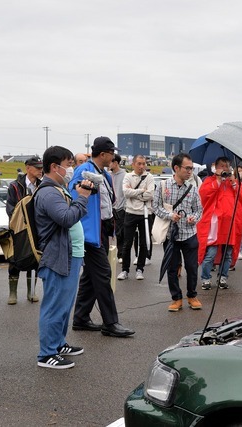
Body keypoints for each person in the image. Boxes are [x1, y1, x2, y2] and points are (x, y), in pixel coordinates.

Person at [70, 136, 135, 338]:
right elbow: (73, 190)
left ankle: (80, 318)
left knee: (91, 277)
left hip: (102, 229)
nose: (114, 156)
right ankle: (110, 322)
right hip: (90, 231)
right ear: (104, 154)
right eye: (111, 152)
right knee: (103, 274)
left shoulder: (104, 173)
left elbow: (108, 202)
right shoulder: (84, 170)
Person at [35, 146, 92, 369]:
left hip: (70, 255)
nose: (71, 169)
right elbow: (66, 218)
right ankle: (46, 353)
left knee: (65, 304)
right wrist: (83, 198)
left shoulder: (58, 188)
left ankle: (58, 343)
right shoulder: (48, 192)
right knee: (54, 305)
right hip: (58, 257)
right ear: (54, 167)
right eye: (68, 165)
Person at [153, 153, 203, 312]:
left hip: (189, 234)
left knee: (192, 267)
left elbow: (199, 210)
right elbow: (156, 206)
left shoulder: (193, 188)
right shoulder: (163, 186)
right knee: (172, 268)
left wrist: (193, 218)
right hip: (171, 235)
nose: (190, 171)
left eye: (192, 168)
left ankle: (192, 295)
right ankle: (176, 298)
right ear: (176, 168)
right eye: (187, 168)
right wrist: (169, 215)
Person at [197, 156, 242, 290]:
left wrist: (234, 183)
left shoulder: (235, 183)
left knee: (228, 253)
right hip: (215, 225)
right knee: (211, 253)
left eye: (227, 166)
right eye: (222, 166)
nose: (225, 169)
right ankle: (206, 278)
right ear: (215, 167)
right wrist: (218, 180)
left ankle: (223, 277)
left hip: (230, 224)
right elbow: (204, 194)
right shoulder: (210, 181)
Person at [5, 156, 44, 304]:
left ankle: (31, 292)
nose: (40, 171)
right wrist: (20, 221)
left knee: (34, 257)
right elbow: (10, 207)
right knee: (15, 258)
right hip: (19, 228)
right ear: (28, 168)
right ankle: (13, 293)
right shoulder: (15, 186)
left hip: (36, 228)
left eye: (41, 168)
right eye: (37, 168)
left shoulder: (42, 185)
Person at [118, 154, 154, 280]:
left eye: (143, 163)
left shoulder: (149, 177)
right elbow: (126, 192)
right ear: (133, 164)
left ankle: (140, 269)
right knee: (127, 242)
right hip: (130, 212)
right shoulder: (128, 176)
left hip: (145, 213)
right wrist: (140, 191)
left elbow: (150, 194)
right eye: (139, 163)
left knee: (144, 243)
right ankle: (125, 270)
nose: (141, 166)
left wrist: (134, 192)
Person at [110, 154, 126, 266]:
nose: (109, 164)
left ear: (116, 163)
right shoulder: (109, 175)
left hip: (121, 208)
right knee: (111, 233)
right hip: (110, 208)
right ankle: (112, 253)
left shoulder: (125, 175)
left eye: (111, 162)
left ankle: (121, 255)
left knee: (121, 233)